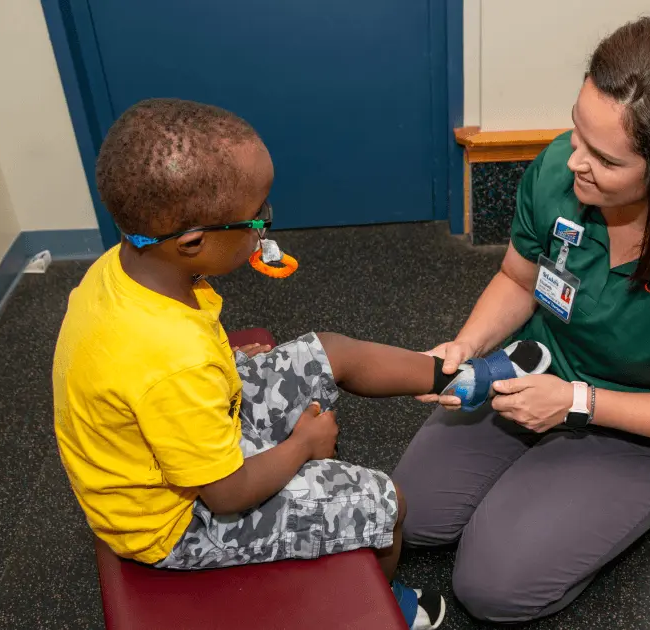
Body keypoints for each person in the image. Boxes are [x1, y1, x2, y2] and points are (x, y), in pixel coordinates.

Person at [394, 15, 650, 623]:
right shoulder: (563, 169)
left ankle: (618, 499)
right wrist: (468, 345)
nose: (572, 160)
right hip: (534, 371)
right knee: (408, 514)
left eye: (603, 158)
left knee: (492, 588)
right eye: (576, 131)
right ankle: (545, 485)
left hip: (644, 424)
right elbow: (517, 280)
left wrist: (577, 403)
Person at [52, 99, 449, 629]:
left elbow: (150, 369)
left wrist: (227, 361)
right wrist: (303, 447)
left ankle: (451, 374)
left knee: (328, 351)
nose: (266, 221)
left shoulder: (127, 269)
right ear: (193, 241)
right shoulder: (172, 361)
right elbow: (225, 493)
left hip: (188, 417)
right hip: (177, 521)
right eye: (258, 214)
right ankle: (388, 604)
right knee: (384, 500)